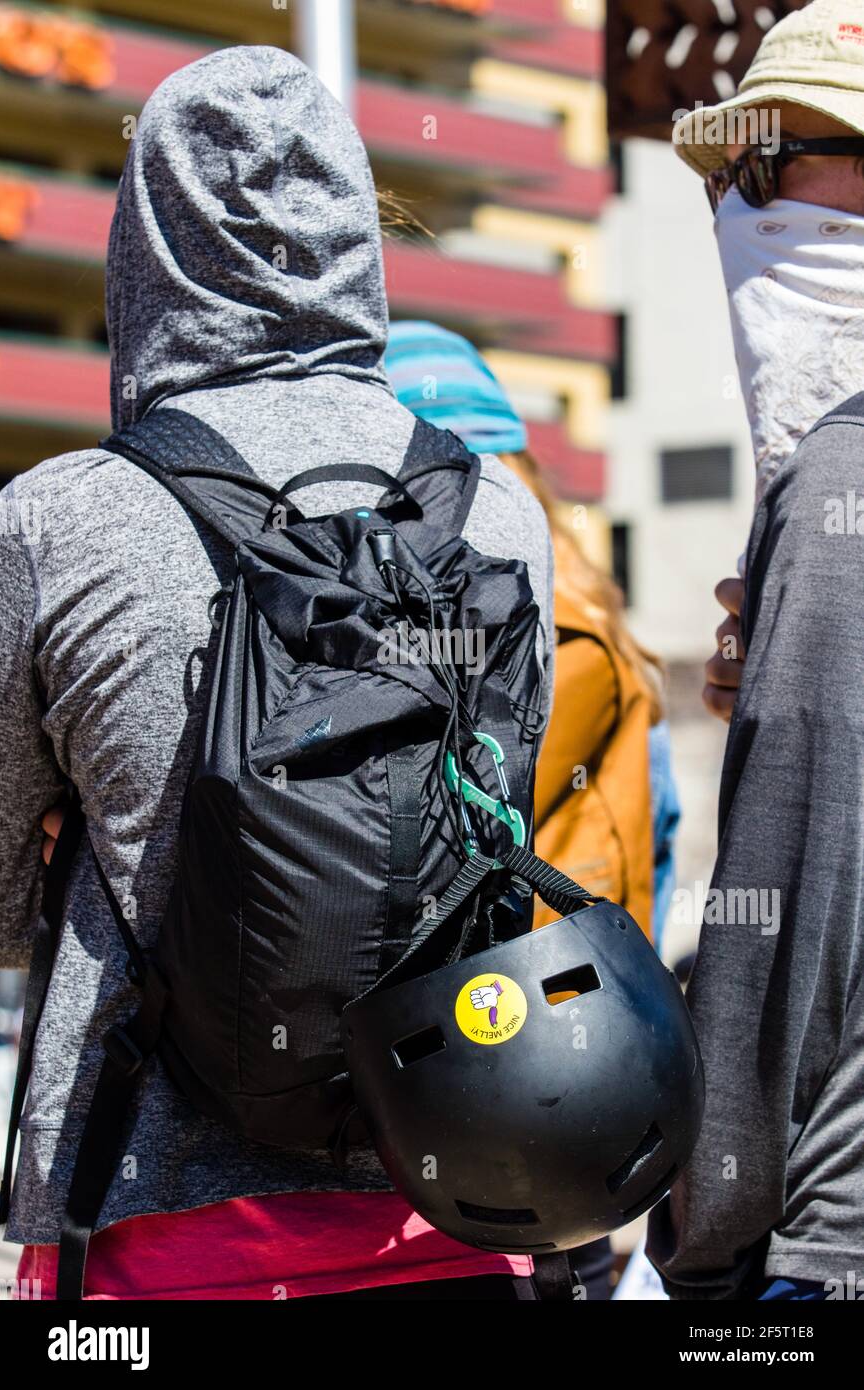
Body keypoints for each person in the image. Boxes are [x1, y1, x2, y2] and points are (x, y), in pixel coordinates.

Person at [0, 47, 557, 1301]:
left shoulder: (58, 520)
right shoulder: (500, 513)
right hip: (455, 1189)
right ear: (358, 229)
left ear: (142, 252)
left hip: (149, 1227)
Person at [384, 320, 681, 1298]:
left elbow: (439, 815)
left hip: (531, 1055)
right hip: (561, 1053)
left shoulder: (544, 624)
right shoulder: (574, 598)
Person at [648, 0, 864, 1300]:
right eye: (733, 175)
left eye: (771, 161)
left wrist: (707, 1221)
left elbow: (789, 922)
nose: (737, 207)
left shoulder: (844, 472)